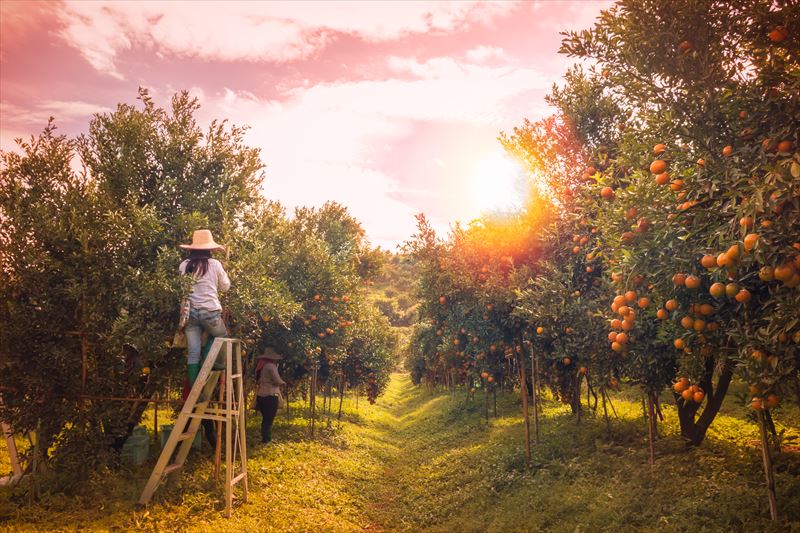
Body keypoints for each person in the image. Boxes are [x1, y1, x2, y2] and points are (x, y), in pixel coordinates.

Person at [178, 229, 230, 387]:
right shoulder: (215, 264)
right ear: (209, 249)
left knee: (193, 353)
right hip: (210, 312)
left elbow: (182, 288)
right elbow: (225, 287)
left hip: (190, 314)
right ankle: (211, 361)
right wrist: (223, 272)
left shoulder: (184, 265)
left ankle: (196, 390)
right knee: (222, 336)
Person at [255, 347, 286, 444]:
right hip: (270, 395)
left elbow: (259, 380)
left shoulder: (262, 366)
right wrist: (283, 383)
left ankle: (265, 437)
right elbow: (277, 380)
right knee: (269, 419)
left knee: (265, 418)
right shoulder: (271, 366)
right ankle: (266, 439)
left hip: (261, 395)